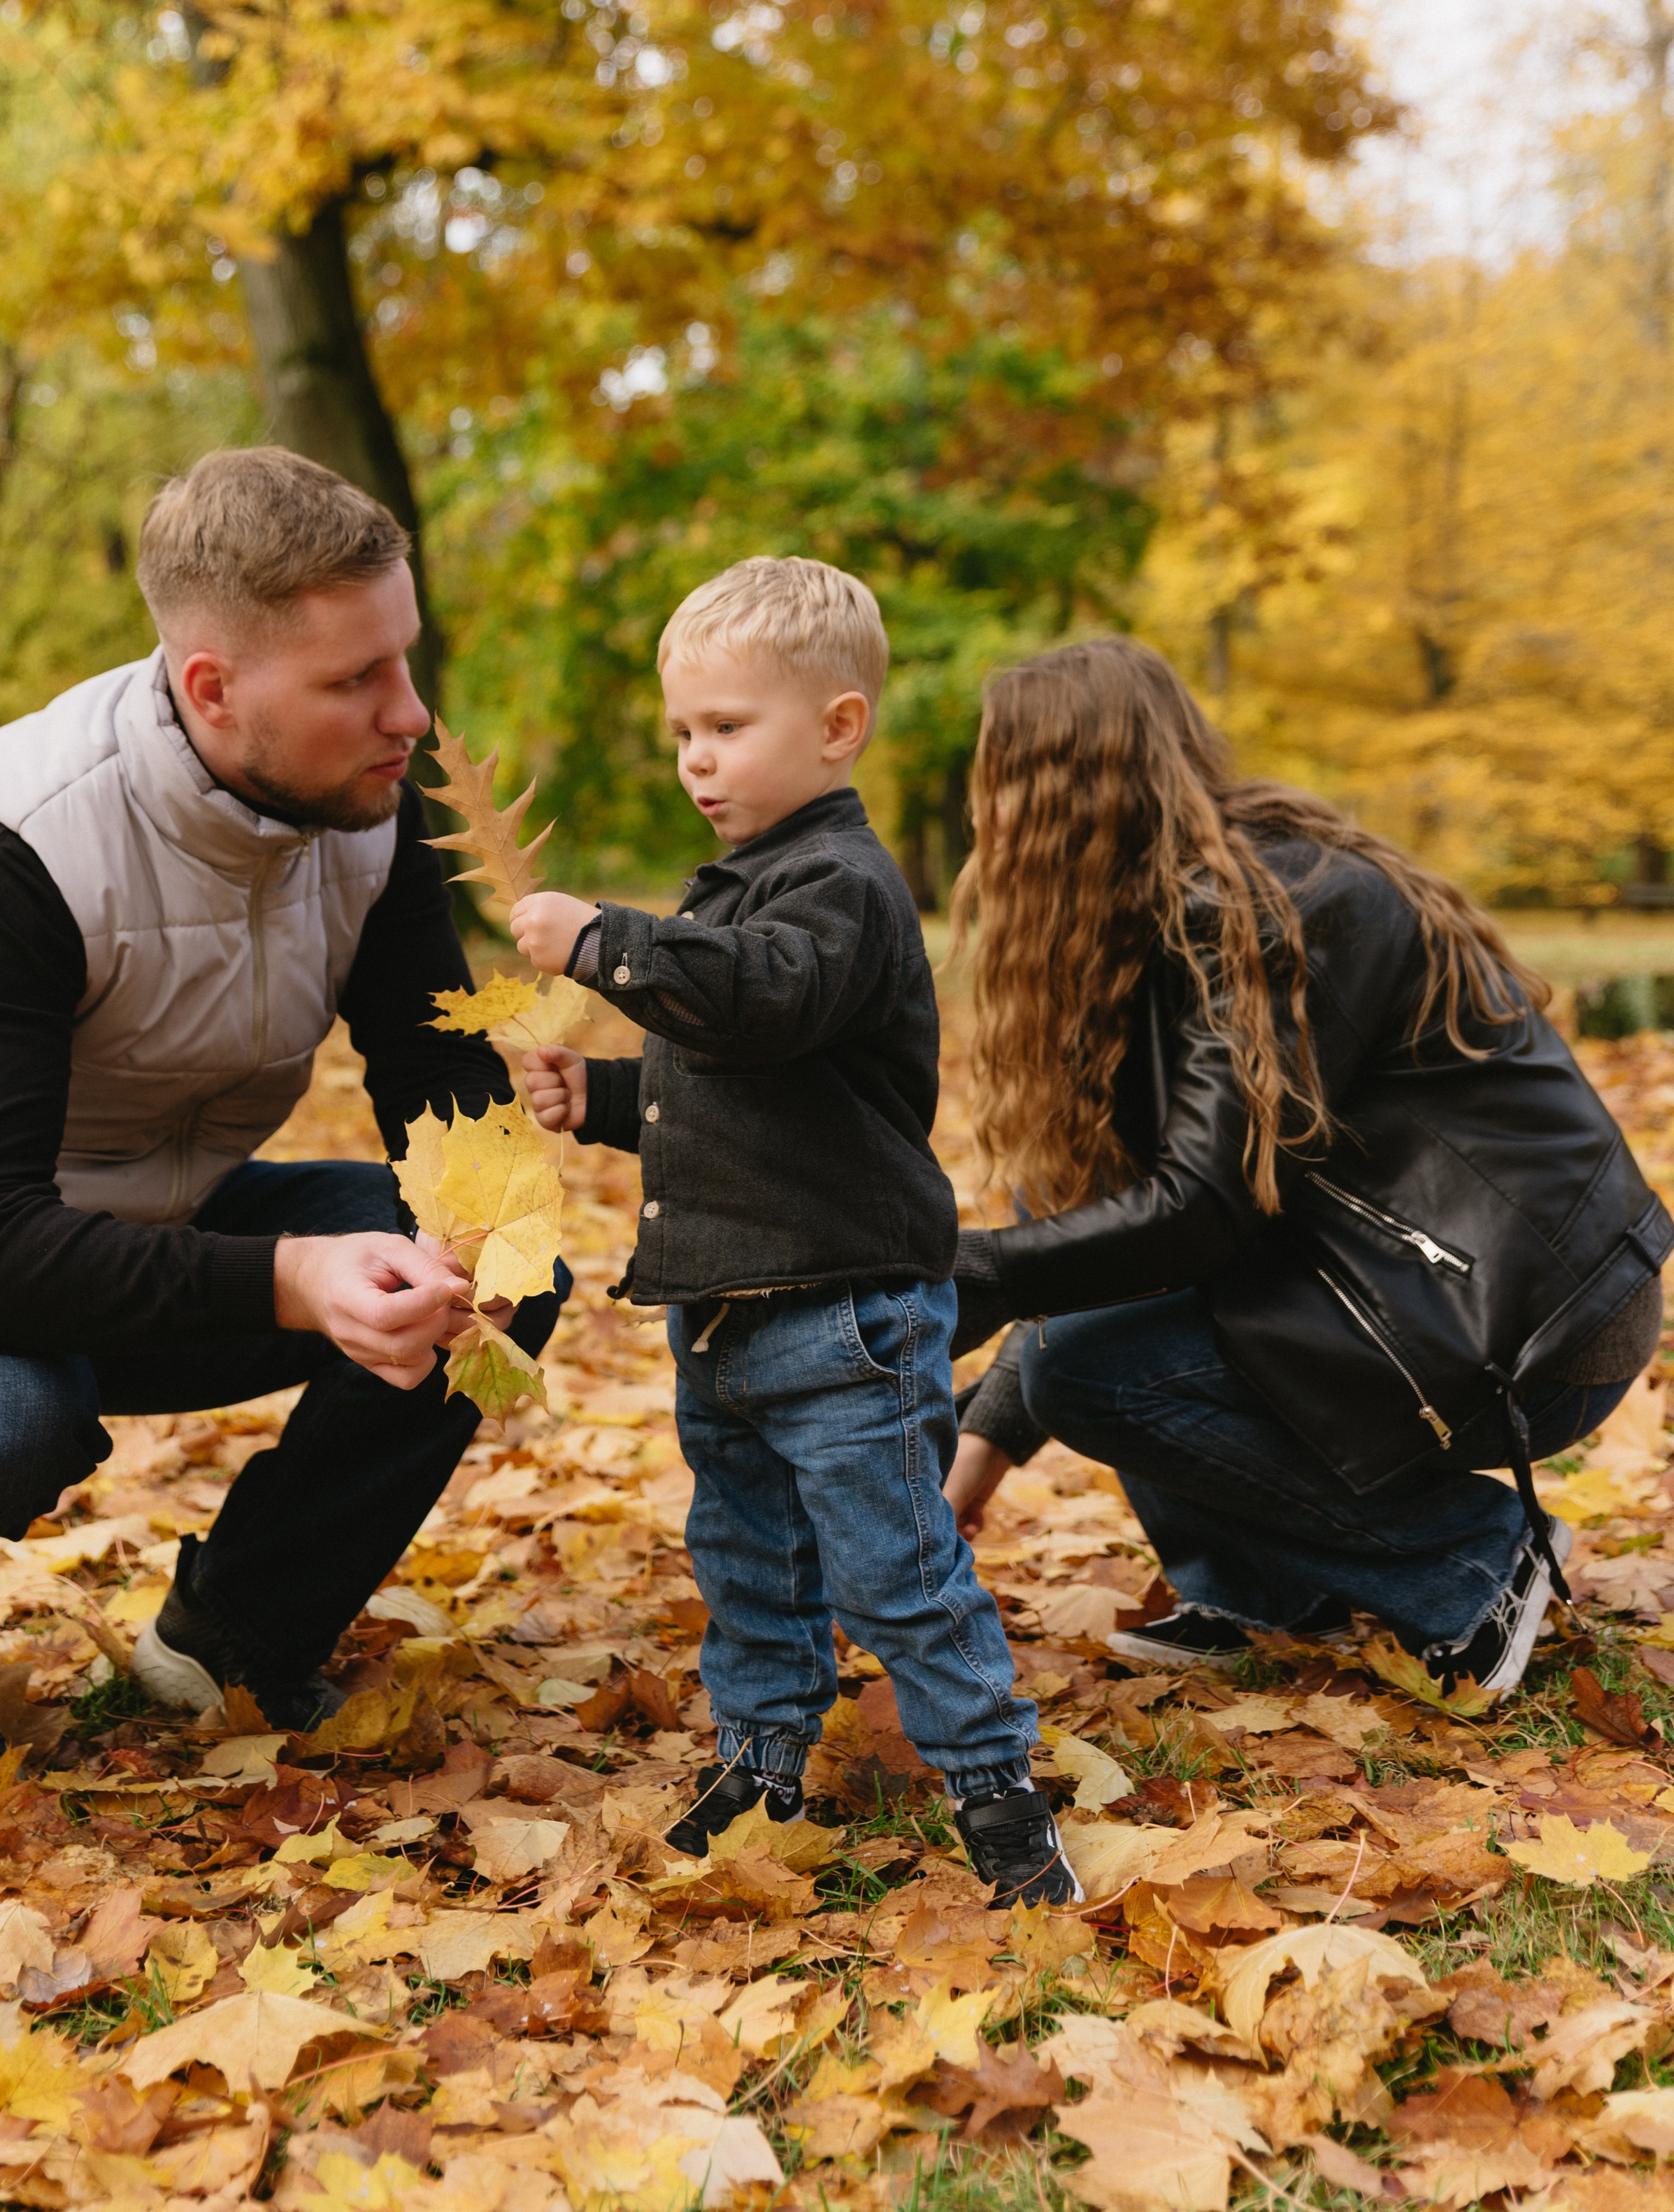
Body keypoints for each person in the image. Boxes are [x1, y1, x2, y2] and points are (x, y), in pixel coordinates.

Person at [0, 448, 564, 1765]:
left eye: (404, 661)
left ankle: (232, 1643)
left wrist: (492, 1203)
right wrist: (296, 1278)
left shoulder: (364, 809)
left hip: (134, 1223)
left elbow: (437, 1085)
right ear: (213, 688)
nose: (410, 714)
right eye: (355, 680)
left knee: (493, 1263)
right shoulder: (13, 848)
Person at [941, 639, 1671, 1701]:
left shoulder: (1275, 910)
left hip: (1529, 1318)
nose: (983, 819)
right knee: (1082, 1310)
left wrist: (983, 1274)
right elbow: (1097, 1231)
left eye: (995, 781)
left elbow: (1198, 1215)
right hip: (1390, 1301)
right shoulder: (1145, 933)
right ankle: (1267, 1592)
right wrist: (985, 1446)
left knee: (1089, 1363)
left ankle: (1475, 1562)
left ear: (1060, 793)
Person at [511, 557, 1077, 1908]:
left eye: (727, 728)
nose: (697, 762)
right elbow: (733, 1091)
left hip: (842, 1320)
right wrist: (601, 1098)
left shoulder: (839, 891)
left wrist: (608, 943)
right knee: (748, 1558)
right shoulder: (740, 887)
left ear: (837, 728)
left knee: (895, 1571)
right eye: (684, 735)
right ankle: (763, 1758)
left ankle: (997, 1789)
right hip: (727, 1313)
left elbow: (766, 1001)